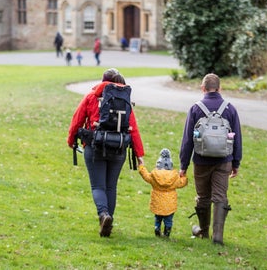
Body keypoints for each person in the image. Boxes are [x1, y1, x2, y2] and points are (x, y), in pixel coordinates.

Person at [67, 68, 145, 237]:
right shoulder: (124, 100)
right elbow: (134, 129)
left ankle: (104, 215)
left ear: (103, 81)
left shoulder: (92, 96)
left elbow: (77, 119)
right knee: (111, 186)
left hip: (95, 145)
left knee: (98, 186)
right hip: (119, 148)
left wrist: (71, 140)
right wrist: (139, 155)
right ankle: (109, 220)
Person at [178, 73, 242, 245]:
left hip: (201, 160)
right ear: (220, 88)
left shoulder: (196, 108)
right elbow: (237, 138)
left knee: (203, 196)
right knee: (220, 196)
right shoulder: (230, 109)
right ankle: (218, 236)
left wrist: (183, 165)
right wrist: (236, 163)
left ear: (203, 88)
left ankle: (204, 232)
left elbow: (187, 140)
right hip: (224, 160)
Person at [139, 148, 188, 238]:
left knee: (158, 218)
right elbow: (182, 183)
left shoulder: (154, 176)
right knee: (168, 220)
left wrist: (141, 167)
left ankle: (157, 229)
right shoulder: (174, 178)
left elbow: (145, 176)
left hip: (157, 203)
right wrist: (183, 175)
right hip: (170, 205)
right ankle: (167, 233)